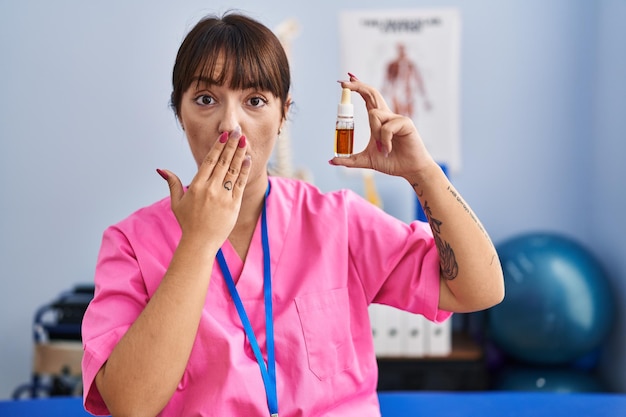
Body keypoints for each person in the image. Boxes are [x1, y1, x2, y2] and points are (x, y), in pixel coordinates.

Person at [81, 11, 504, 417]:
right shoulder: (131, 243)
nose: (232, 125)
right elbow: (130, 405)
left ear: (283, 115)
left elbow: (479, 291)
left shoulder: (336, 220)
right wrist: (198, 241)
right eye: (206, 99)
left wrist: (424, 174)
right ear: (180, 114)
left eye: (255, 100)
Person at [381, 42, 431, 119]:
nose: (402, 52)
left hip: (408, 92)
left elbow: (419, 81)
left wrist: (425, 98)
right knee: (397, 116)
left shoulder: (410, 64)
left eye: (403, 49)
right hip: (396, 92)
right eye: (400, 49)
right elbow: (386, 81)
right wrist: (381, 96)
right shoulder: (392, 65)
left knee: (409, 116)